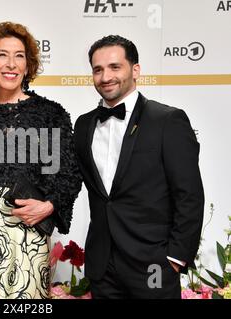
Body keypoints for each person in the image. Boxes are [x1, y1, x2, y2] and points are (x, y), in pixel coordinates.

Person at [73, 35, 204, 298]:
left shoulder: (167, 120)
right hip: (103, 266)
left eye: (114, 67)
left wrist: (177, 257)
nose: (105, 76)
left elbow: (189, 194)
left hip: (153, 264)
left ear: (135, 70)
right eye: (97, 69)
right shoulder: (84, 125)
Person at [0, 22, 82, 299]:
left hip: (27, 232)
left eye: (19, 56)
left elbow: (68, 174)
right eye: (2, 54)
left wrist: (49, 205)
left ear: (28, 66)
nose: (11, 64)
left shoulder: (50, 114)